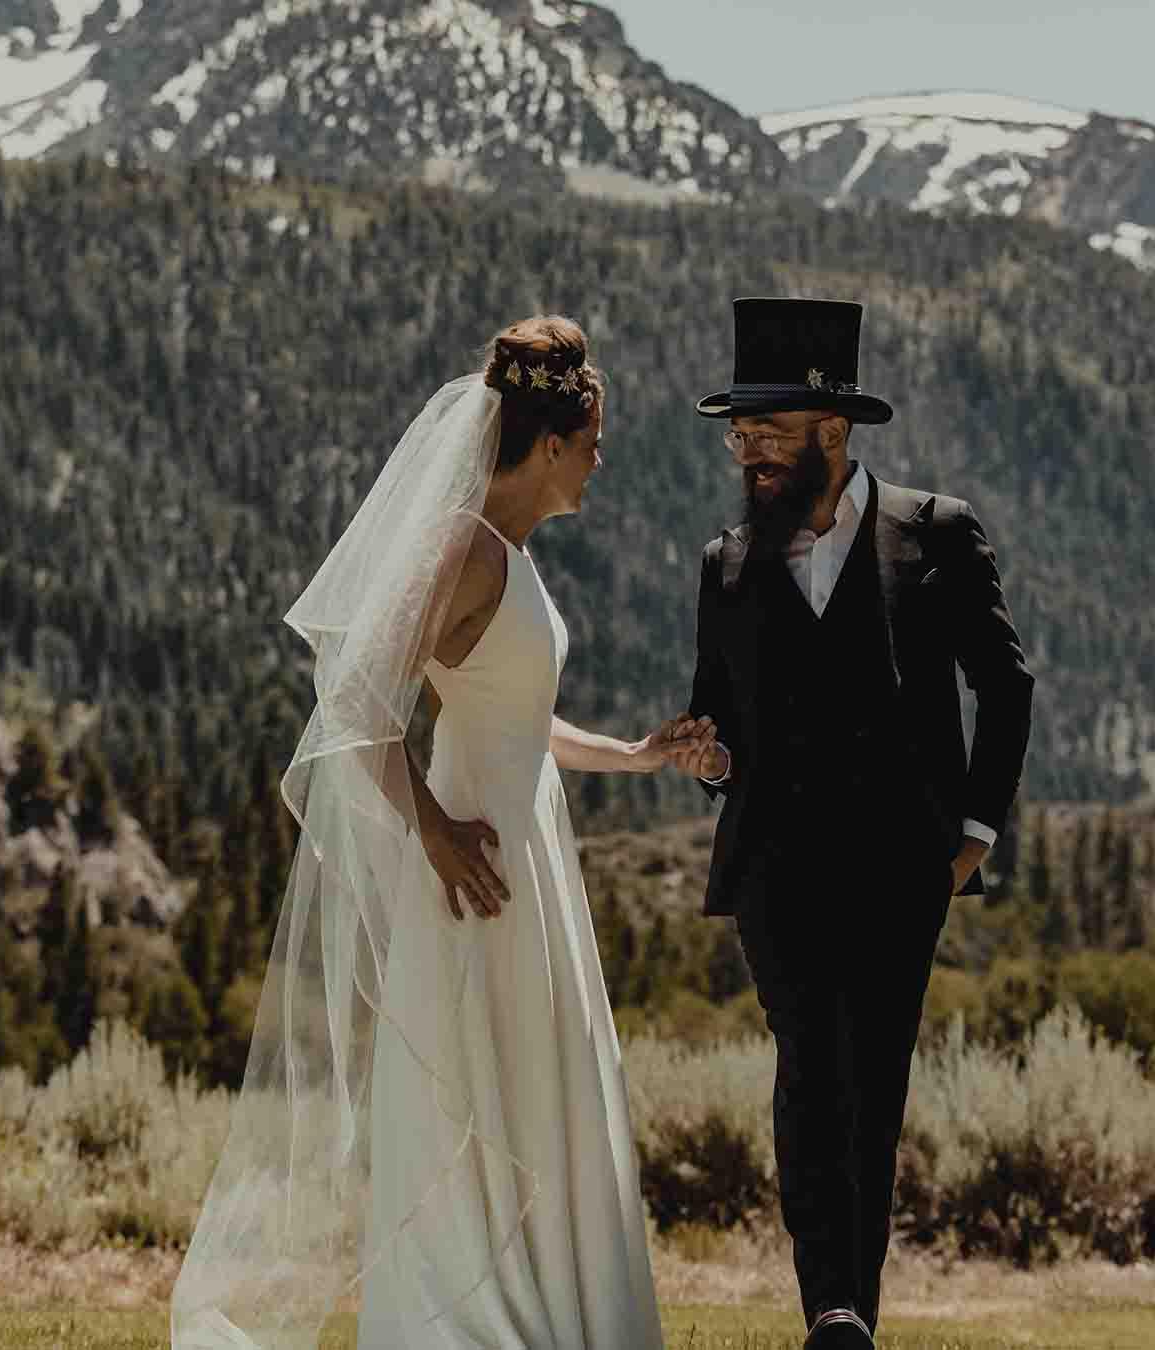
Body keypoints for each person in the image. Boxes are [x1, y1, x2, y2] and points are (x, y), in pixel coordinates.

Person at [172, 316, 705, 1350]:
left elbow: (517, 723)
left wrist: (637, 753)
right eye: (594, 441)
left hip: (526, 853)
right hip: (476, 869)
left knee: (537, 1088)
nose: (601, 462)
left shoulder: (514, 557)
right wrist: (432, 831)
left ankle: (550, 1307)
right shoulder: (466, 550)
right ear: (550, 444)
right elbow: (357, 698)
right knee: (478, 1087)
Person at [666, 297, 1034, 1350]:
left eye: (766, 434)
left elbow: (1005, 685)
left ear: (831, 430)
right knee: (807, 1066)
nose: (747, 454)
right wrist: (710, 758)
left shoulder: (938, 531)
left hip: (902, 865)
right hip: (775, 864)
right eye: (739, 436)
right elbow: (719, 720)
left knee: (871, 1077)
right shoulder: (726, 561)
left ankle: (847, 1309)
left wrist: (975, 834)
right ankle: (831, 1302)